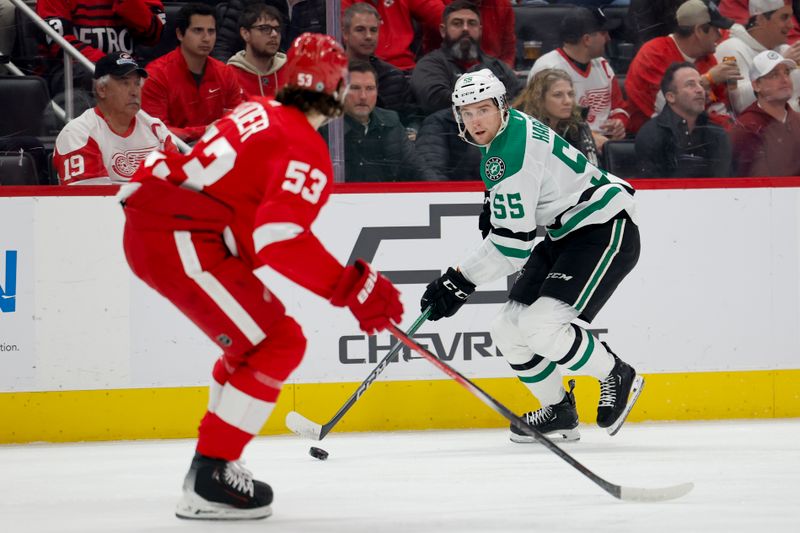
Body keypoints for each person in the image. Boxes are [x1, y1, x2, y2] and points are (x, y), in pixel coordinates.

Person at [119, 33, 404, 520]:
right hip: (179, 235)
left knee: (256, 344)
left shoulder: (257, 112)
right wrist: (351, 286)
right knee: (280, 343)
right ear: (335, 95)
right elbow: (278, 237)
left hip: (171, 229)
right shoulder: (303, 145)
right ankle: (210, 474)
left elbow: (251, 217)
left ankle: (218, 461)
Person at [420, 69, 643, 443]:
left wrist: (459, 280)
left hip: (604, 228)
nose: (475, 121)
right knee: (506, 329)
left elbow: (513, 247)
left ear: (501, 107)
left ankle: (615, 373)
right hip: (566, 232)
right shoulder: (509, 131)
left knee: (540, 327)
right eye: (467, 112)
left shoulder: (508, 154)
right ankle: (559, 411)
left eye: (483, 110)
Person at [54, 52, 176, 185]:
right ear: (101, 89)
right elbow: (91, 199)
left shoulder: (157, 130)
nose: (134, 91)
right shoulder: (78, 134)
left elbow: (178, 185)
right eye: (125, 83)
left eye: (137, 83)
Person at [624, 0, 740, 134]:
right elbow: (668, 109)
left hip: (697, 137)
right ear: (699, 31)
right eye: (716, 30)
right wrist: (706, 81)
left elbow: (718, 109)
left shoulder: (707, 59)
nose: (720, 35)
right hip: (655, 139)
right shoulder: (653, 55)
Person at [141, 3, 244, 142]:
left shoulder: (225, 72)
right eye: (198, 30)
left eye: (211, 31)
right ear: (180, 34)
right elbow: (156, 131)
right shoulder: (156, 75)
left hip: (219, 150)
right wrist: (205, 131)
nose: (206, 38)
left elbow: (237, 120)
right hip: (172, 153)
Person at [527, 6, 628, 144]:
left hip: (606, 145)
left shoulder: (603, 65)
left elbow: (619, 107)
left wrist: (619, 122)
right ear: (587, 40)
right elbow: (540, 121)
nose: (609, 38)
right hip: (566, 145)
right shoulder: (547, 68)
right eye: (603, 33)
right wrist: (587, 137)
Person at [410, 0, 521, 115]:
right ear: (443, 31)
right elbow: (436, 101)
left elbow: (522, 97)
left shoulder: (497, 66)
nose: (465, 29)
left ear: (480, 30)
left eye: (472, 23)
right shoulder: (429, 66)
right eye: (457, 23)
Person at [635, 62, 732, 177]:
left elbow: (724, 183)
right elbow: (652, 187)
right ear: (671, 97)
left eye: (701, 84)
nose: (700, 90)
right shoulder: (651, 134)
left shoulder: (716, 133)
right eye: (690, 85)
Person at [343, 61, 433, 181]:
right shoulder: (327, 128)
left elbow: (418, 169)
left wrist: (442, 195)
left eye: (370, 88)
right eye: (354, 88)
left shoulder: (390, 121)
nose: (363, 96)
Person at [716, 0, 800, 113]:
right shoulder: (732, 48)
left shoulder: (785, 49)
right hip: (758, 128)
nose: (791, 25)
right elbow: (739, 104)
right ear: (761, 20)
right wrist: (777, 65)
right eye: (784, 17)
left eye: (791, 17)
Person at [341, 3, 416, 122]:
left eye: (373, 30)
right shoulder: (327, 75)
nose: (368, 36)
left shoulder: (393, 77)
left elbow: (411, 120)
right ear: (345, 33)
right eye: (360, 30)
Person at [731, 50, 800, 175]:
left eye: (787, 72)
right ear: (756, 85)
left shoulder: (797, 120)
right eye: (774, 75)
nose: (784, 79)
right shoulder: (746, 128)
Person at [515, 69, 601, 166]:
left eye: (570, 94)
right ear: (539, 99)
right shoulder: (522, 129)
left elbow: (593, 170)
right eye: (558, 95)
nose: (567, 101)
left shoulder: (579, 127)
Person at [341, 0, 446, 71]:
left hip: (406, 71)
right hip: (362, 72)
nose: (368, 36)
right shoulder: (336, 4)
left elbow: (445, 19)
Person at [227, 3, 287, 98]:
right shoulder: (228, 76)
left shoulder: (291, 71)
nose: (274, 34)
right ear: (245, 33)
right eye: (265, 29)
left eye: (277, 29)